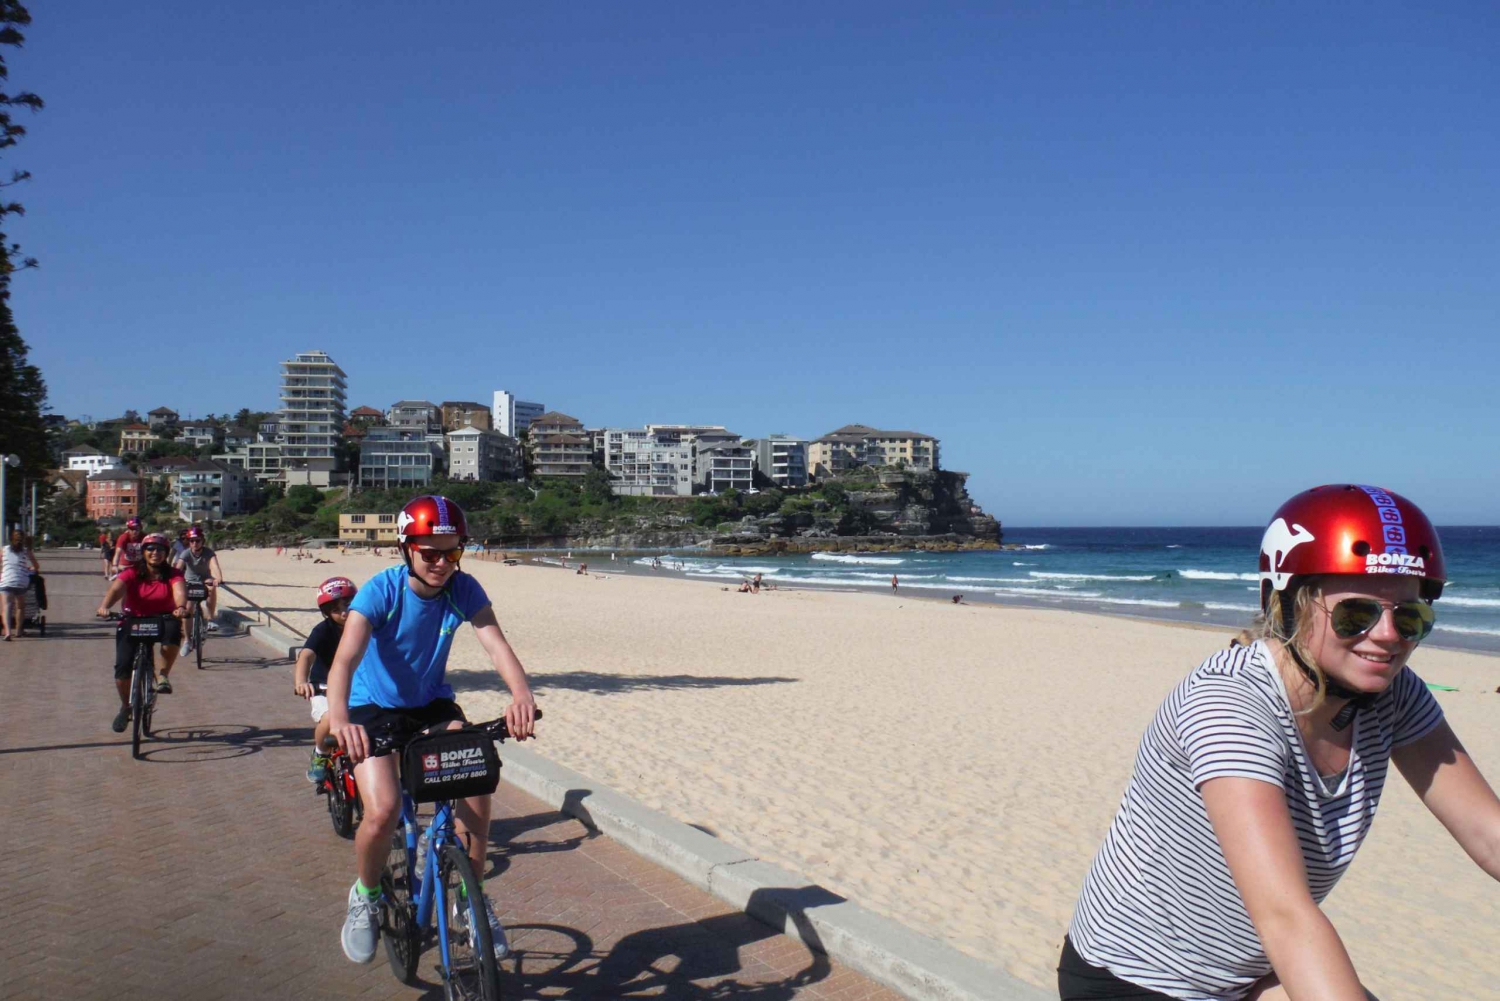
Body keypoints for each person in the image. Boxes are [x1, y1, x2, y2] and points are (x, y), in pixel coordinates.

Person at [1061, 485, 1500, 1001]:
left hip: (1248, 974)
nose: (1387, 636)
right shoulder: (1232, 706)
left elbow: (1487, 833)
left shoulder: (1394, 695)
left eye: (1410, 617)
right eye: (1355, 614)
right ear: (1283, 603)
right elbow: (1286, 916)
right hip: (1135, 979)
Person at [324, 495, 537, 965]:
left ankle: (471, 899)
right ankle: (366, 894)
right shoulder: (381, 591)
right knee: (380, 813)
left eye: (452, 551)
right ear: (407, 549)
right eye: (430, 552)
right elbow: (345, 660)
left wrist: (521, 695)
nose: (442, 563)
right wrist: (339, 719)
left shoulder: (464, 589)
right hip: (372, 708)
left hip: (430, 705)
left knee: (477, 777)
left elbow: (496, 645)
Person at [96, 533, 187, 730]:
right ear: (143, 552)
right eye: (150, 549)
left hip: (162, 618)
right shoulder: (132, 572)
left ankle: (163, 675)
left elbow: (179, 591)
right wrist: (105, 606)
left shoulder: (173, 574)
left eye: (160, 549)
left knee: (173, 630)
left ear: (166, 553)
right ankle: (125, 707)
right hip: (133, 619)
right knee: (122, 668)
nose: (155, 553)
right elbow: (116, 590)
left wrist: (180, 607)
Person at [297, 576, 357, 783]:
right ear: (326, 613)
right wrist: (301, 682)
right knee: (331, 717)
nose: (343, 612)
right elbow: (306, 655)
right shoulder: (323, 631)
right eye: (335, 609)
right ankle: (320, 754)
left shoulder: (365, 626)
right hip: (323, 686)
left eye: (348, 605)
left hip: (356, 686)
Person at [173, 526, 224, 632]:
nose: (194, 543)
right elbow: (178, 568)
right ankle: (188, 637)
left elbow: (214, 565)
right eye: (191, 541)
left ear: (202, 541)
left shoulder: (208, 552)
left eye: (197, 540)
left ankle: (210, 619)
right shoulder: (186, 553)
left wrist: (218, 578)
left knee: (212, 589)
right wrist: (175, 579)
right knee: (189, 607)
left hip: (205, 579)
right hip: (189, 581)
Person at [1, 529, 39, 640]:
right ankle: (18, 631)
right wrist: (30, 568)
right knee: (20, 607)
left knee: (6, 607)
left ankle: (7, 632)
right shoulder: (26, 551)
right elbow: (36, 566)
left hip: (6, 581)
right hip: (21, 581)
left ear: (11, 538)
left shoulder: (4, 550)